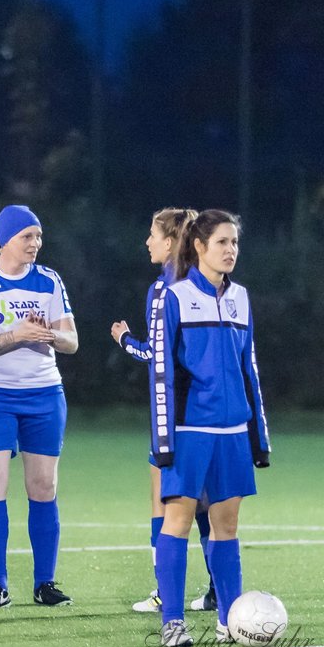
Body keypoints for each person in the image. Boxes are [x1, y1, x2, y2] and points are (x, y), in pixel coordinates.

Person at [148, 210, 270, 647]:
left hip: (233, 432)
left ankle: (229, 621)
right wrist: (164, 441)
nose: (230, 250)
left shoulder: (241, 297)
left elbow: (248, 368)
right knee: (177, 522)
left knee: (227, 526)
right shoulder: (175, 297)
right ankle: (173, 622)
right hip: (190, 431)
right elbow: (160, 372)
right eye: (222, 242)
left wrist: (260, 436)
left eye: (234, 242)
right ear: (199, 247)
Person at [0, 205, 78, 609]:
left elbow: (72, 341)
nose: (35, 244)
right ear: (5, 239)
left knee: (43, 487)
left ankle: (45, 583)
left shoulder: (49, 280)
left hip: (44, 393)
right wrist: (16, 335)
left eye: (39, 237)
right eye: (27, 236)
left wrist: (49, 336)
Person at [110, 208, 216, 615]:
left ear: (170, 243)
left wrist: (124, 340)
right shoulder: (209, 284)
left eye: (153, 235)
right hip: (212, 412)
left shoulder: (163, 290)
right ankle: (217, 591)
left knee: (164, 503)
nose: (148, 242)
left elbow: (157, 355)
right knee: (207, 503)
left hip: (173, 414)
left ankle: (164, 594)